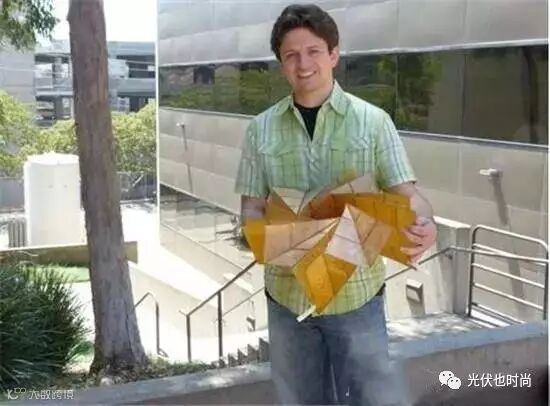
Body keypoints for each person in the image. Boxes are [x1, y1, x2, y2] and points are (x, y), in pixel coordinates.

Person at [234, 4, 437, 405]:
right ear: (281, 64)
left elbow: (408, 194)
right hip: (287, 300)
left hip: (356, 298)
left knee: (373, 400)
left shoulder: (374, 122)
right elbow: (252, 207)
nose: (303, 64)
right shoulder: (260, 130)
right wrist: (259, 235)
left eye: (313, 51)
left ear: (333, 55)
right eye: (291, 55)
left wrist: (426, 221)